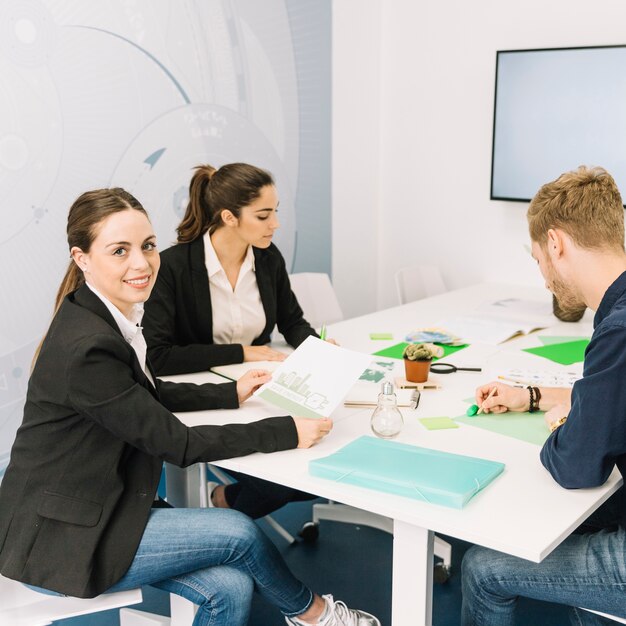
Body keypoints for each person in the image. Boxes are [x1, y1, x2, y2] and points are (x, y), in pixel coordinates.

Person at [0, 188, 380, 626]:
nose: (141, 263)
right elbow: (176, 444)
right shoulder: (90, 346)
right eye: (119, 251)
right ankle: (315, 615)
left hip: (104, 503)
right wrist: (286, 431)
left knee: (230, 587)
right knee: (237, 530)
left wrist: (229, 393)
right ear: (82, 258)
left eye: (147, 246)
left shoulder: (101, 315)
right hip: (63, 537)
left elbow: (139, 394)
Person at [462, 166, 626, 625]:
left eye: (538, 261)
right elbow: (613, 394)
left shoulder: (618, 330)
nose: (544, 279)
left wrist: (562, 427)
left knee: (483, 568)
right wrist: (533, 395)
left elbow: (576, 466)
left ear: (555, 244)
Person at [143, 162, 324, 518]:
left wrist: (317, 348)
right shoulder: (174, 267)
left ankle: (224, 500)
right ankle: (222, 508)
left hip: (263, 389)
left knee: (316, 458)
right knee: (283, 484)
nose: (275, 224)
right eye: (263, 215)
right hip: (203, 394)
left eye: (276, 213)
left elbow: (292, 321)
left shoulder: (268, 258)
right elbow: (160, 356)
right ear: (229, 216)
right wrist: (240, 351)